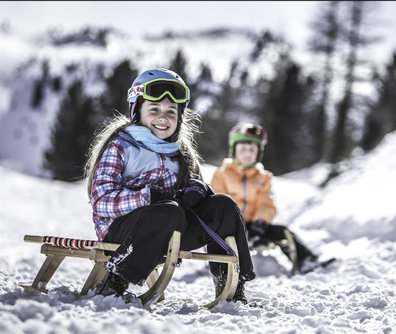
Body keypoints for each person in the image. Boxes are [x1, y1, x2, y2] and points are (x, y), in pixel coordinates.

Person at [84, 68, 255, 304]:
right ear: (137, 111)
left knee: (223, 205)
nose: (163, 118)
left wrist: (198, 192)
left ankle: (232, 285)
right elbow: (101, 202)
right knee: (168, 211)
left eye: (171, 112)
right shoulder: (121, 147)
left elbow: (194, 197)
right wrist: (149, 197)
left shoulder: (181, 154)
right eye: (154, 110)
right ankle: (116, 280)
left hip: (172, 228)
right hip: (123, 231)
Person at [211, 122, 330, 274]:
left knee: (282, 232)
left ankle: (306, 261)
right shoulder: (222, 174)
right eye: (243, 149)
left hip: (254, 227)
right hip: (230, 226)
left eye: (252, 150)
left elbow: (266, 202)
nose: (247, 154)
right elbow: (217, 201)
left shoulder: (263, 177)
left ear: (259, 152)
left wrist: (260, 224)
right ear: (233, 150)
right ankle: (222, 266)